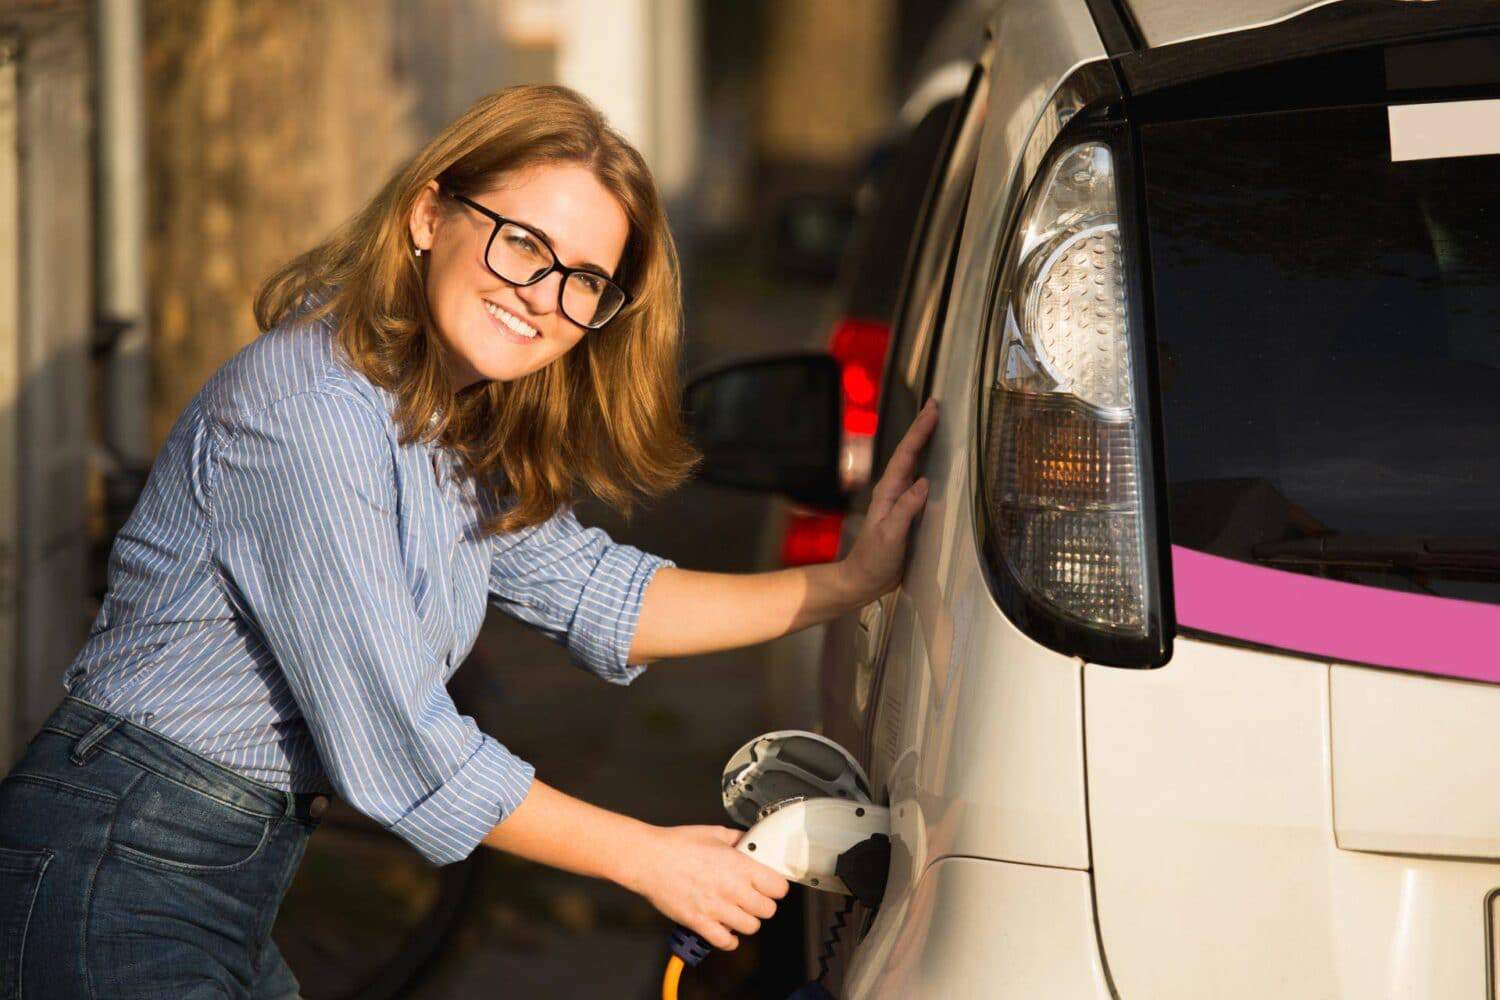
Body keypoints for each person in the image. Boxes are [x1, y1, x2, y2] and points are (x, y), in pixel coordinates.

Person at [0, 83, 938, 998]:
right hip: (119, 858)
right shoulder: (312, 415)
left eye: (584, 281)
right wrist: (648, 858)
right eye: (523, 243)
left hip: (211, 864)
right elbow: (401, 737)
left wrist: (848, 583)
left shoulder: (435, 416)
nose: (542, 296)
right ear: (426, 215)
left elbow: (597, 594)